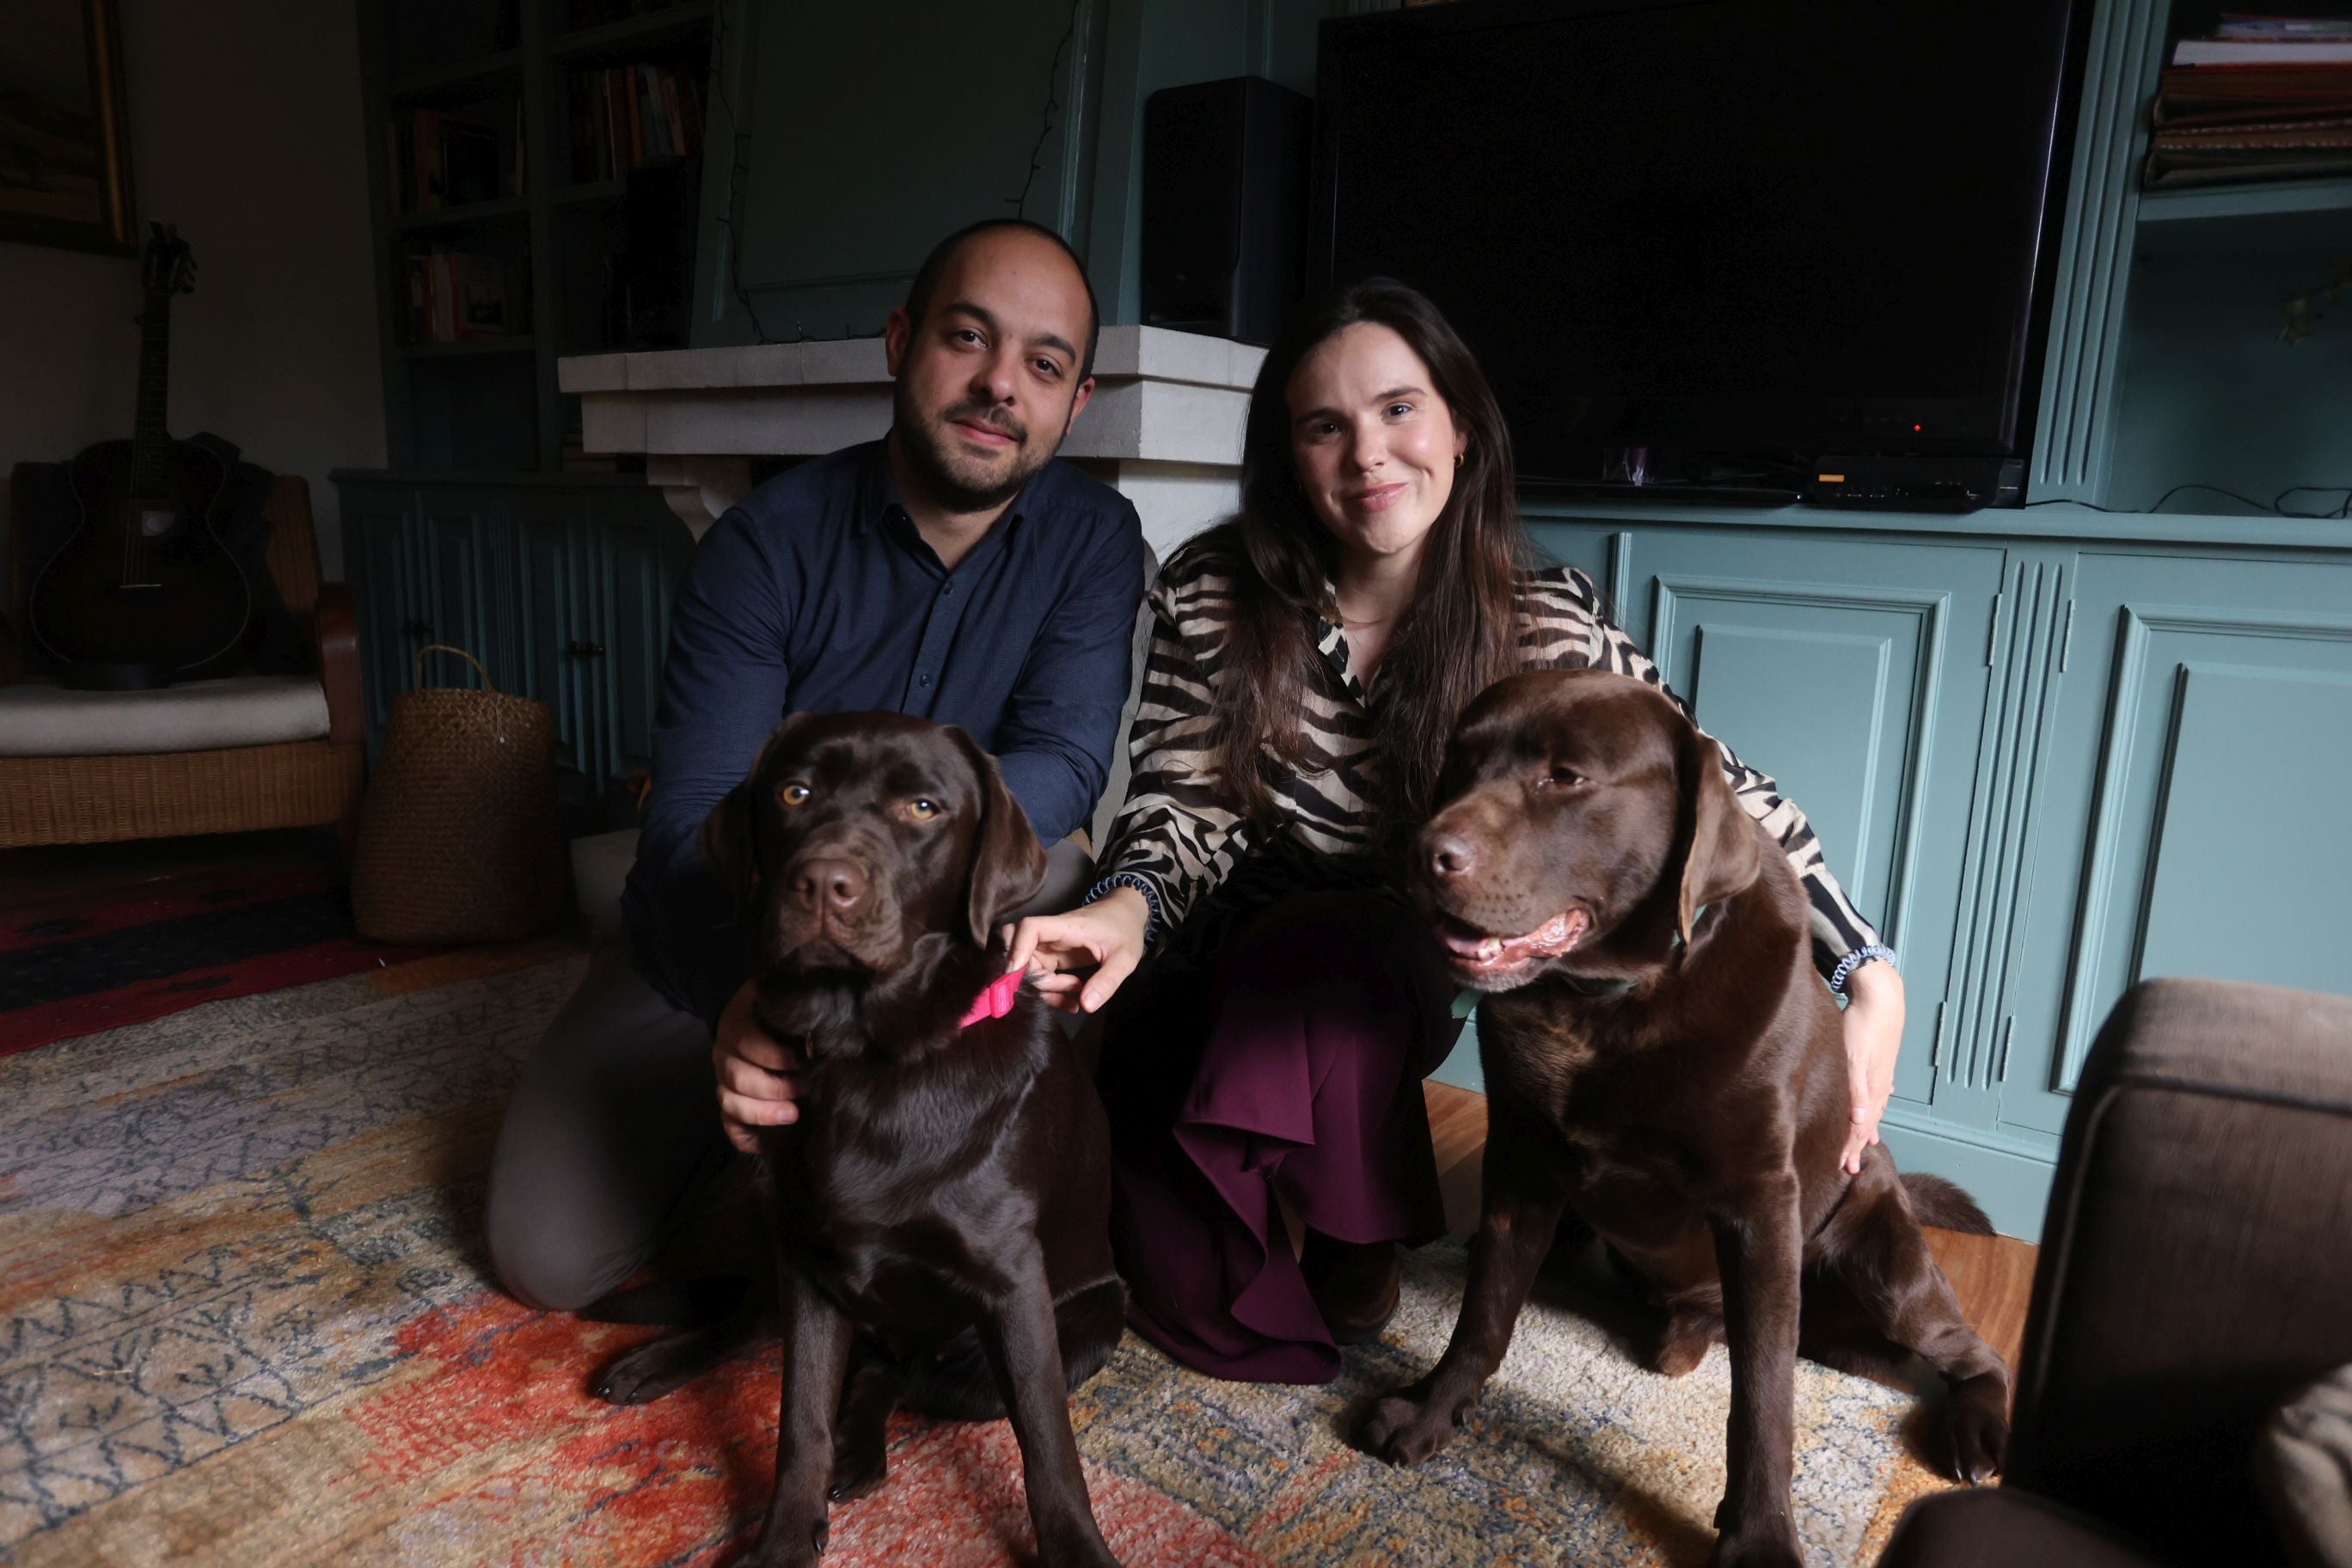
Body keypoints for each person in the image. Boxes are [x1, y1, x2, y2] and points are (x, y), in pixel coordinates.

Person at [1003, 279, 1906, 1383]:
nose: (1367, 455)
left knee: (1335, 943)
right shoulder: (1214, 588)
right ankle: (1269, 1179)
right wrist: (1125, 906)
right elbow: (1182, 802)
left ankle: (1355, 1234)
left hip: (1394, 965)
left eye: (1399, 410)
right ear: (1289, 455)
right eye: (1324, 426)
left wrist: (1866, 972)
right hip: (1224, 958)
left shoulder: (1543, 618)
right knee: (1164, 1281)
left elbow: (1715, 789)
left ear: (1462, 429)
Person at [483, 218, 1148, 1313]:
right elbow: (695, 810)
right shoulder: (762, 543)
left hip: (937, 932)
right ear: (899, 342)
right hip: (754, 922)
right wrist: (739, 1001)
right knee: (546, 1259)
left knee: (1067, 888)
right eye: (967, 338)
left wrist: (908, 878)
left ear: (1075, 403)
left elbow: (1067, 761)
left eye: (1043, 364)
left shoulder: (1094, 537)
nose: (999, 385)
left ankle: (952, 1193)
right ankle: (778, 1187)